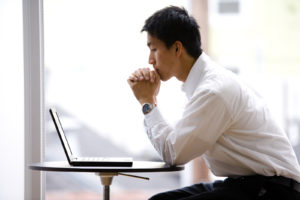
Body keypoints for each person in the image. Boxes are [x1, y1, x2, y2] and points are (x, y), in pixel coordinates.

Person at [127, 6, 300, 200]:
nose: (150, 60)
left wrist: (148, 102)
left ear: (177, 48)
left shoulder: (213, 90)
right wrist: (149, 100)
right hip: (246, 183)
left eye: (154, 49)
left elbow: (174, 153)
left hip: (274, 190)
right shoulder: (205, 84)